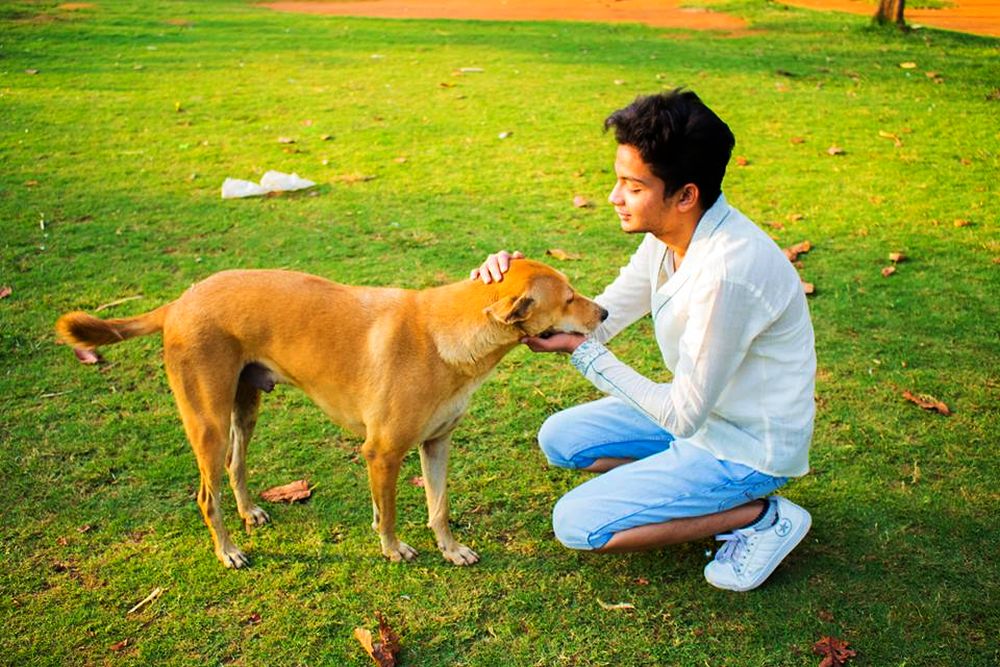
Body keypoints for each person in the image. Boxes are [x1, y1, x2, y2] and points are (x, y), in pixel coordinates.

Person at [471, 89, 816, 591]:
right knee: (561, 439)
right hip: (703, 418)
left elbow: (678, 413)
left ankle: (758, 516)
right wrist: (515, 283)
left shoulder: (728, 274)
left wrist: (581, 353)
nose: (614, 197)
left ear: (685, 195)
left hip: (745, 447)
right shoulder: (668, 239)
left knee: (578, 523)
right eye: (618, 180)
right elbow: (598, 320)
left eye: (632, 186)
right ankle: (687, 487)